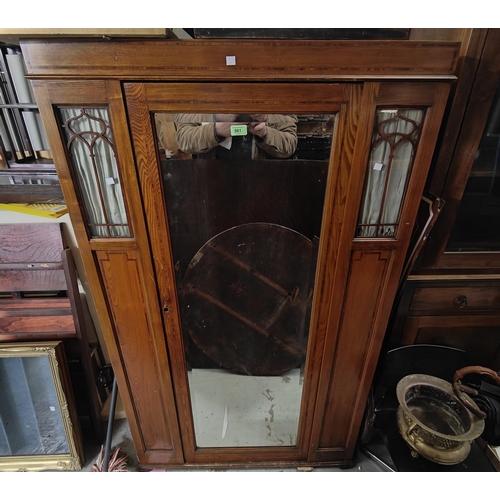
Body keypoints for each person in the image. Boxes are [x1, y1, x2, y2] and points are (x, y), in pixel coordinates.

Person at [174, 113, 298, 159]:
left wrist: (266, 133)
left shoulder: (276, 91)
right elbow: (184, 139)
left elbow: (290, 144)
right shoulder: (199, 88)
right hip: (211, 183)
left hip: (261, 185)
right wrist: (216, 130)